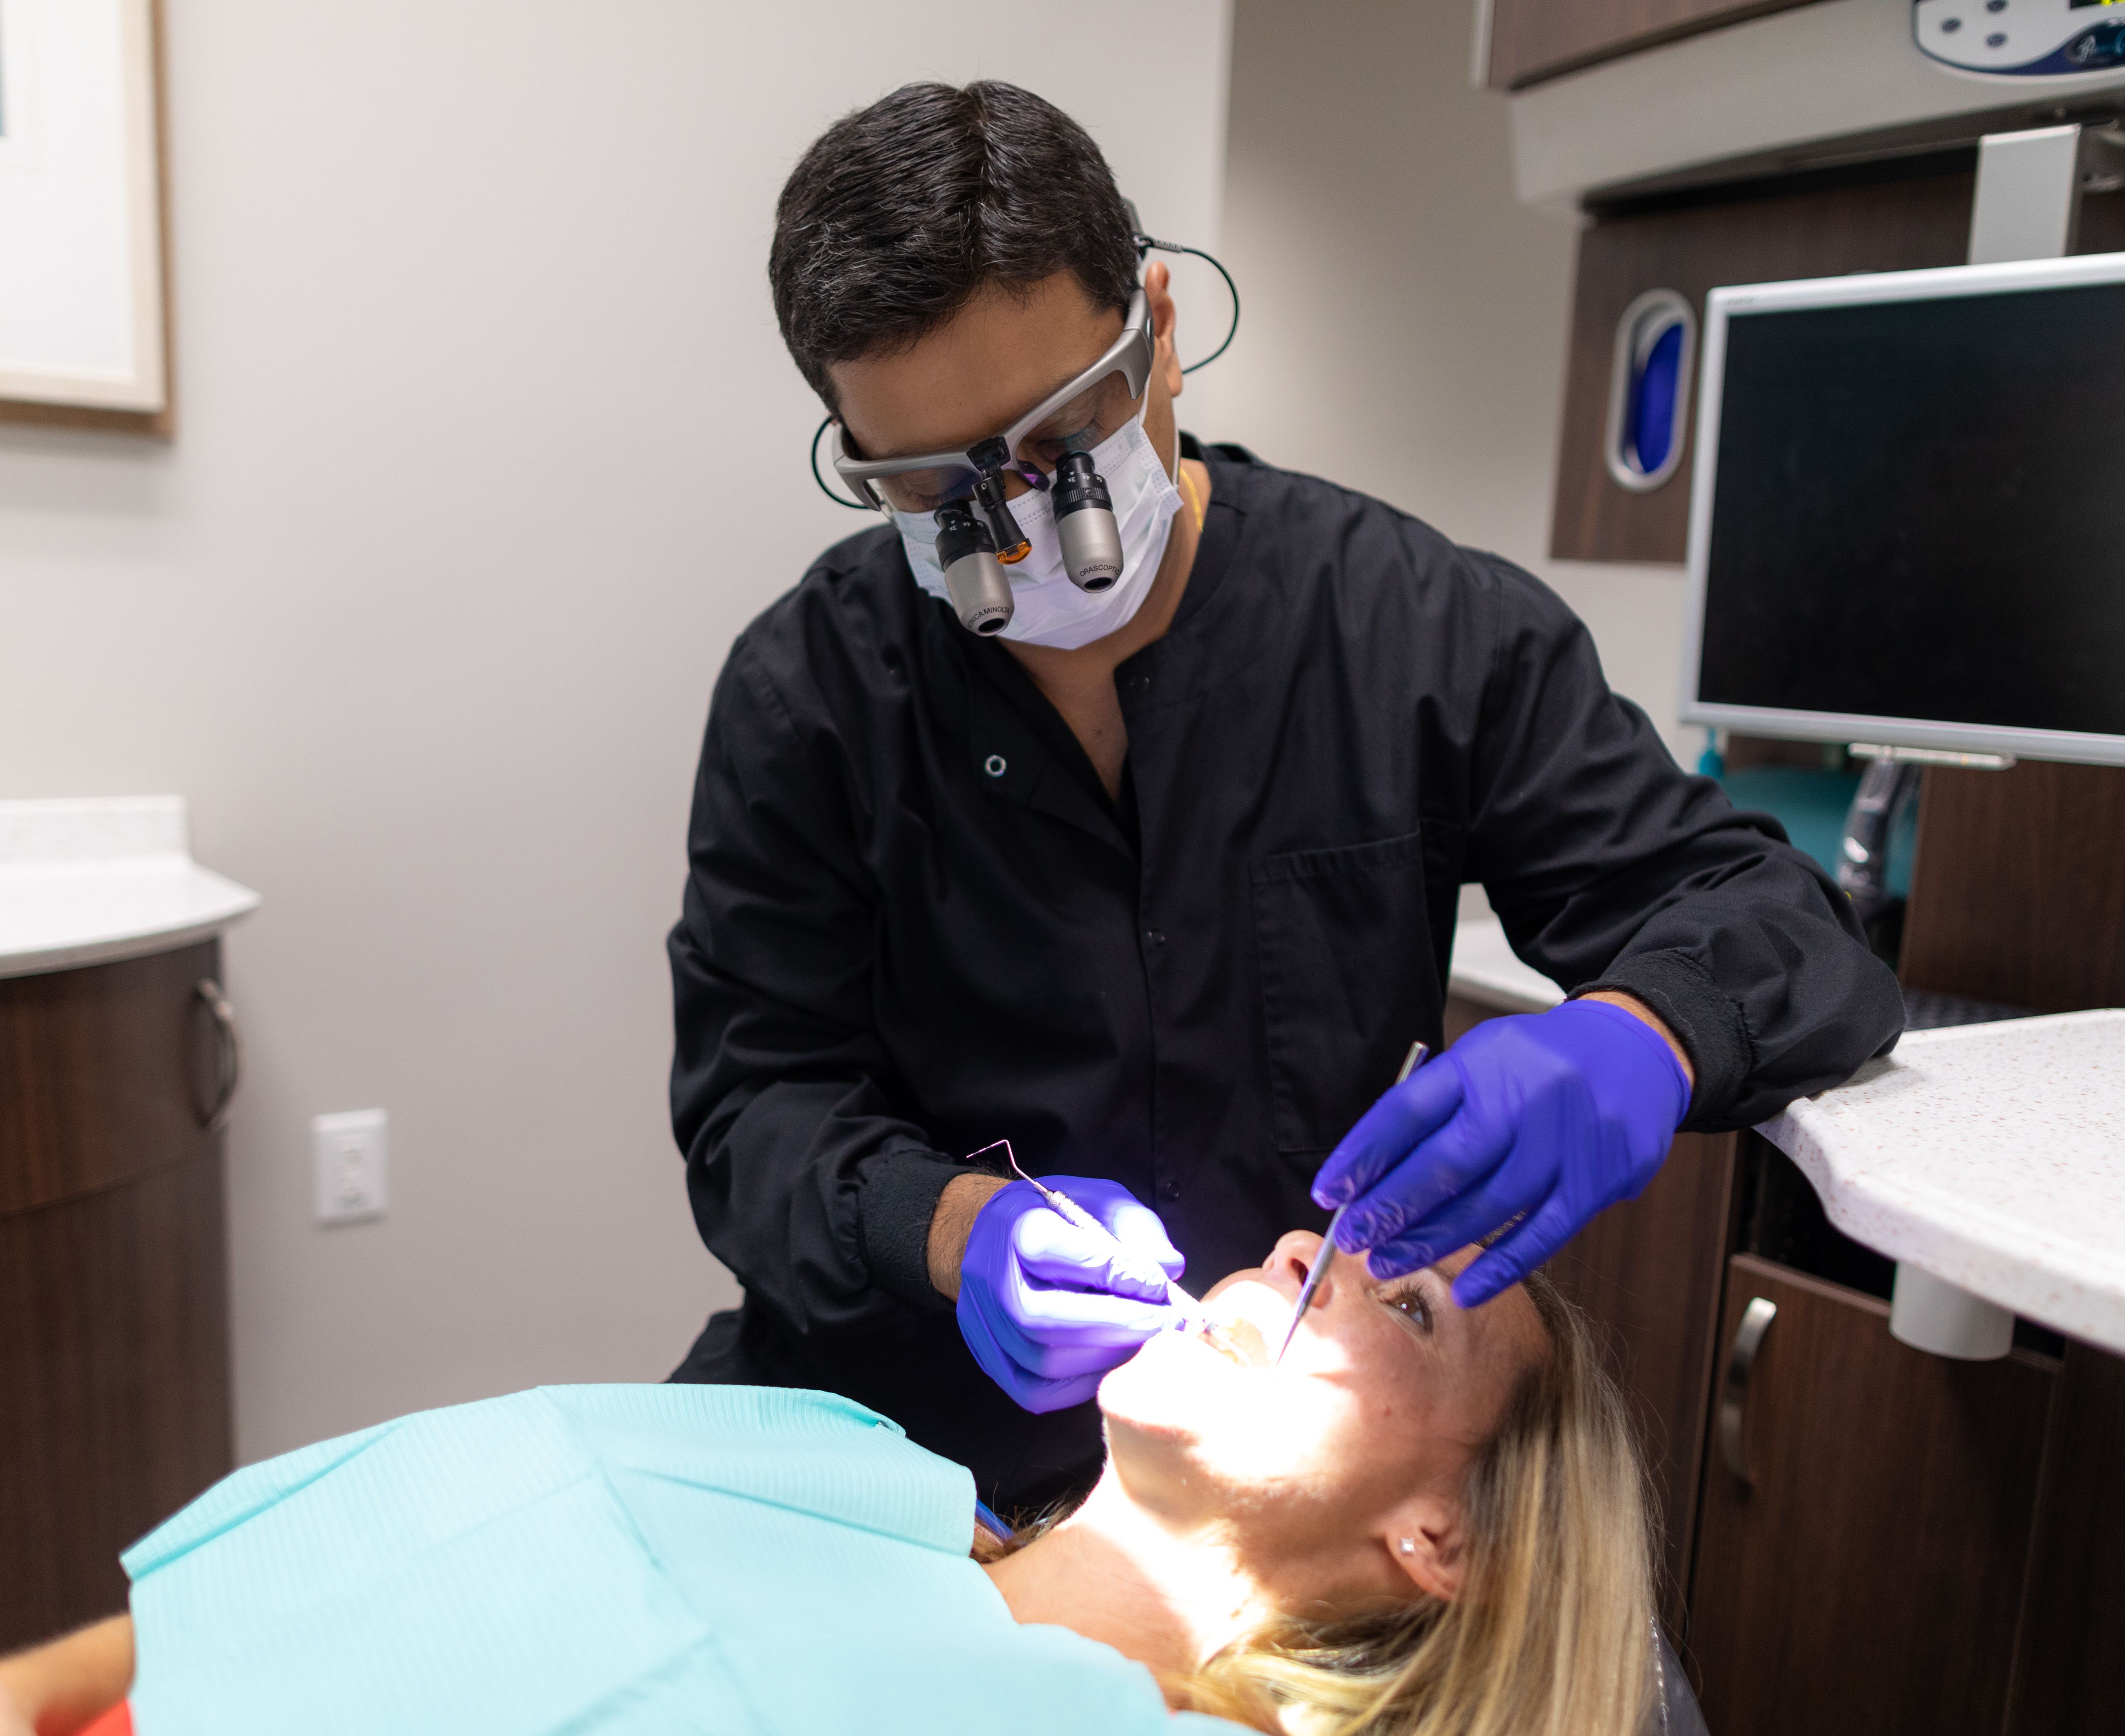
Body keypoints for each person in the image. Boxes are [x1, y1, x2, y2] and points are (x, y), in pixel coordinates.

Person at [669, 79, 1904, 1508]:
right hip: (884, 1435)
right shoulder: (807, 696)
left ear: (1161, 330)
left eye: (1060, 444)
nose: (1012, 526)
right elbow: (753, 1108)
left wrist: (1645, 1037)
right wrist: (957, 1230)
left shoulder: (1420, 635)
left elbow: (1778, 924)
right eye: (938, 489)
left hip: (1265, 1482)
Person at [0, 1239, 1654, 1736]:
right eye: (1322, 1226)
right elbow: (246, 1621)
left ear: (1442, 1541)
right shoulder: (829, 1462)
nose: (1300, 1261)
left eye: (1396, 1296)